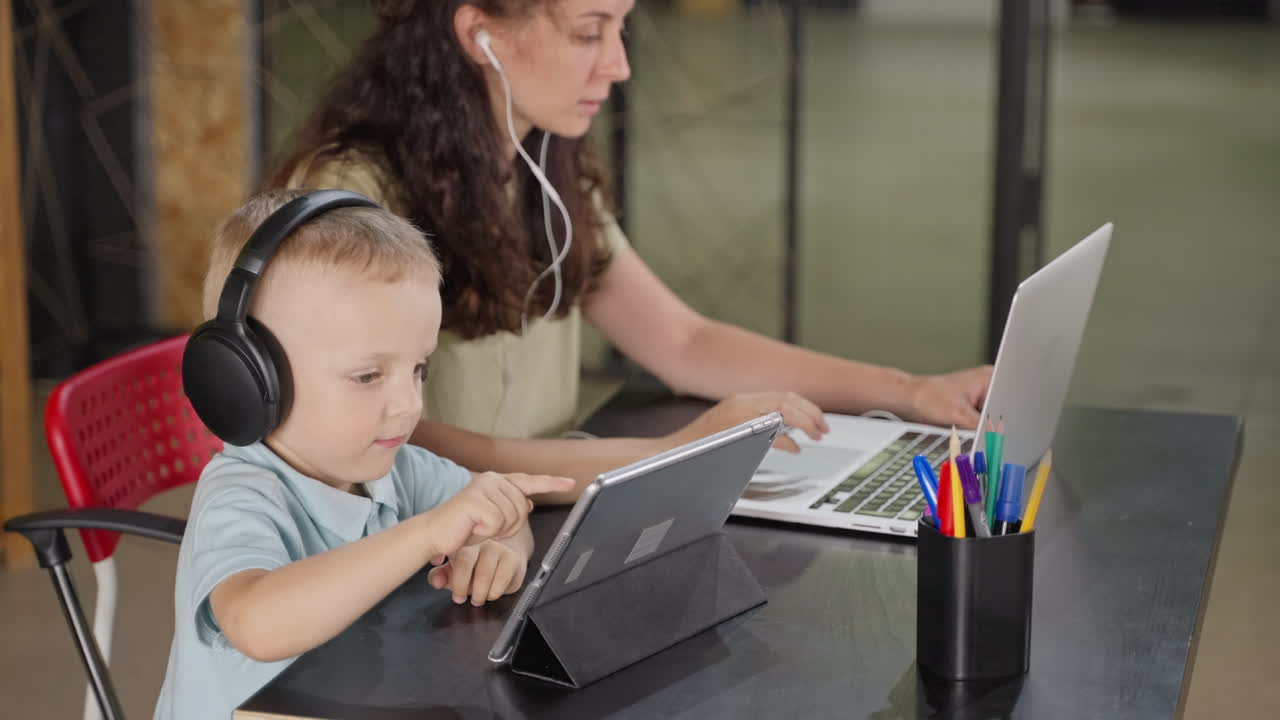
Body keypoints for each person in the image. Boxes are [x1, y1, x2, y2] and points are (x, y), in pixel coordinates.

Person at [267, 0, 992, 504]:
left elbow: (683, 339)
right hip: (416, 548)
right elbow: (403, 447)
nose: (618, 66)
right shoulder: (350, 199)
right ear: (478, 34)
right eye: (590, 32)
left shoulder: (540, 164)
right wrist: (679, 452)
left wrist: (911, 391)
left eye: (621, 29)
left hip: (522, 520)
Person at [154, 189, 574, 719]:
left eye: (419, 369)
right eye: (368, 375)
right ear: (249, 379)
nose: (408, 404)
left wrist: (501, 547)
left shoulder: (396, 469)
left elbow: (489, 512)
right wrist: (424, 534)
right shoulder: (241, 495)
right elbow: (256, 625)